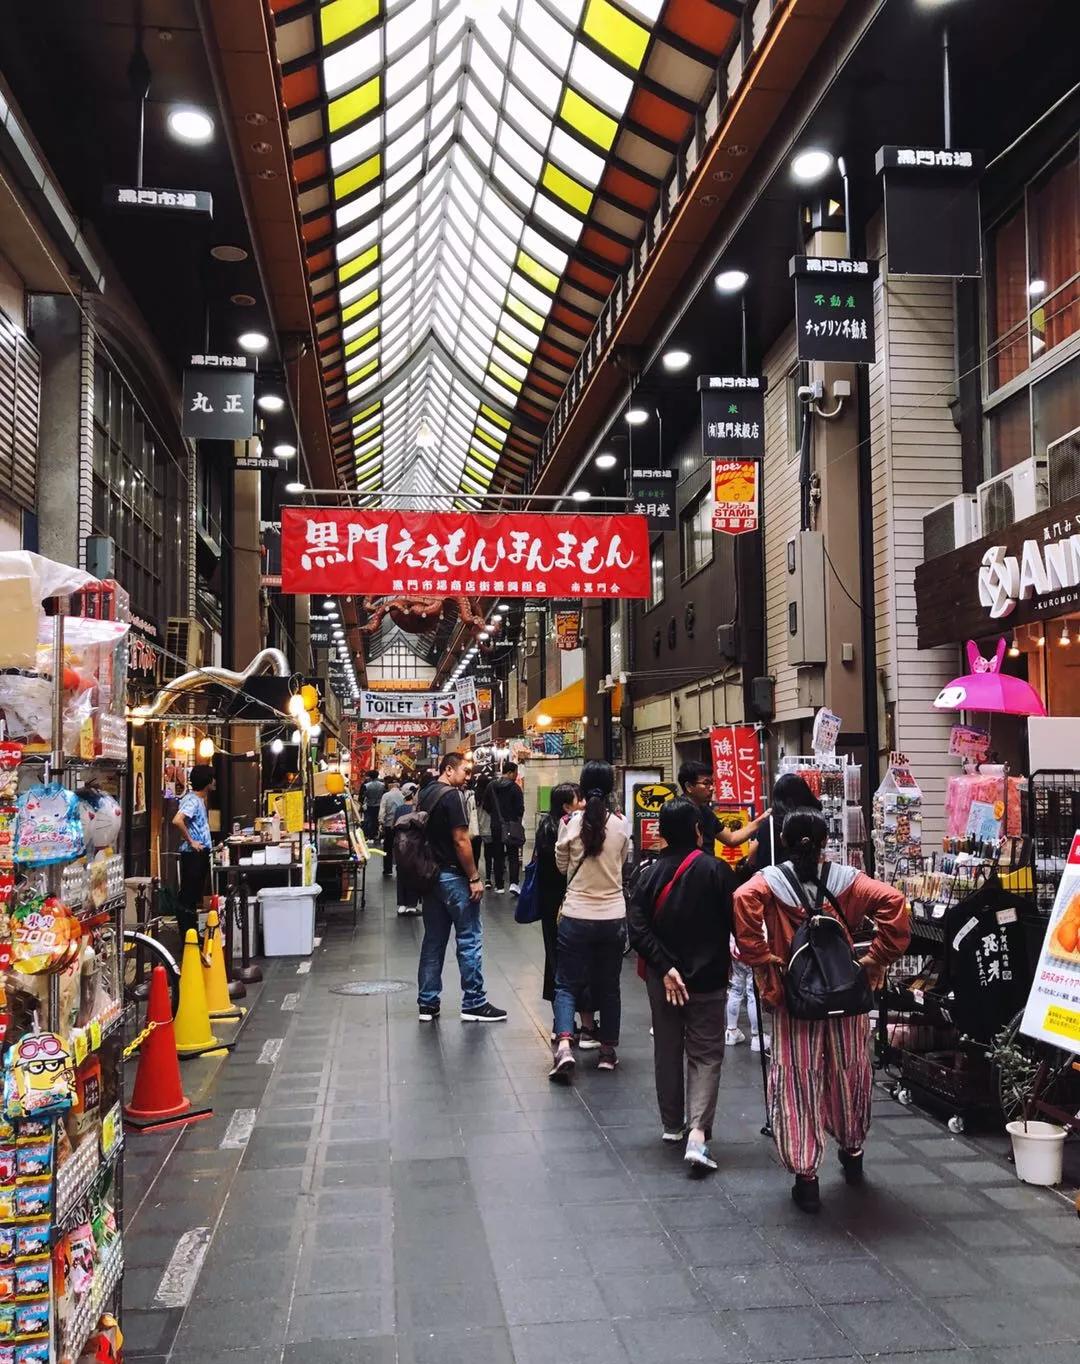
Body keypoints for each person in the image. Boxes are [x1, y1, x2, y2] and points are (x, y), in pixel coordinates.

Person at [734, 808, 910, 1212]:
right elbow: (895, 903)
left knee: (798, 1079)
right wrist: (876, 957)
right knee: (849, 1070)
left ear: (785, 839)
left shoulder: (770, 883)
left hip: (795, 998)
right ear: (824, 842)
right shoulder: (846, 881)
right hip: (846, 996)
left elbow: (741, 900)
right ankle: (852, 1153)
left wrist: (762, 957)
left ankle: (807, 1177)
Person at [628, 797, 735, 1173]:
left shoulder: (647, 874)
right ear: (696, 830)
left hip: (663, 980)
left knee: (668, 1049)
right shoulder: (717, 871)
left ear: (661, 833)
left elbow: (637, 928)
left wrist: (666, 967)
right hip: (708, 979)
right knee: (706, 1054)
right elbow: (735, 922)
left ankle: (672, 1125)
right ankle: (698, 1133)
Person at [550, 761, 631, 1078]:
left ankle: (565, 1047)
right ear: (611, 788)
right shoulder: (621, 825)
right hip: (612, 917)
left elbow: (560, 865)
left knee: (567, 985)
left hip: (576, 915)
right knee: (609, 986)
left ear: (581, 788)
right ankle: (607, 1052)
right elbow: (622, 865)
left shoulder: (570, 823)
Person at [416, 752, 507, 1023]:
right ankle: (474, 1002)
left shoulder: (426, 793)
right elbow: (461, 840)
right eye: (464, 771)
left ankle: (427, 1003)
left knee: (433, 940)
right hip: (454, 877)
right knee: (469, 938)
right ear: (448, 770)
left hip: (431, 876)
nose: (468, 777)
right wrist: (474, 876)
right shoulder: (452, 796)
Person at [535, 782, 599, 1046]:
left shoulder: (544, 828)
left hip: (550, 906)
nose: (584, 803)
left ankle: (560, 1025)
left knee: (555, 960)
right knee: (583, 961)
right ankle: (586, 1027)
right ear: (566, 806)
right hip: (574, 903)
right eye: (579, 799)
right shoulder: (573, 829)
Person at [677, 759, 768, 856]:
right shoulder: (674, 811)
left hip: (706, 867)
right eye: (706, 783)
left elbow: (731, 839)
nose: (712, 788)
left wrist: (762, 820)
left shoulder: (706, 812)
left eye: (712, 783)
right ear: (689, 786)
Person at [171, 764, 216, 941]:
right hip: (193, 855)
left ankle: (191, 933)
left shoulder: (198, 800)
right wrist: (192, 841)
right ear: (207, 781)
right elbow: (177, 820)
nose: (215, 781)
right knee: (188, 897)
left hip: (199, 854)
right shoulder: (192, 800)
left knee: (192, 896)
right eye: (212, 778)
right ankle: (188, 936)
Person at [747, 772, 822, 871]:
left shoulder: (770, 823)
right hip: (808, 877)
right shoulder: (813, 820)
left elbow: (752, 856)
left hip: (774, 880)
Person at [484, 760, 525, 894]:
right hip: (511, 825)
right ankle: (513, 883)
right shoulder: (515, 788)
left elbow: (486, 806)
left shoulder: (491, 786)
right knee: (513, 854)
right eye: (515, 773)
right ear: (510, 773)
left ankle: (499, 885)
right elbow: (520, 809)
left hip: (496, 825)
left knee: (498, 854)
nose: (516, 775)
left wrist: (496, 815)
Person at [725, 937, 769, 1053]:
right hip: (751, 950)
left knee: (735, 990)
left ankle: (731, 1031)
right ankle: (756, 1037)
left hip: (735, 950)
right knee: (753, 994)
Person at [393, 782, 420, 915]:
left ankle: (401, 904)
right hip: (414, 846)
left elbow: (394, 826)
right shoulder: (416, 811)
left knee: (401, 874)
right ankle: (411, 905)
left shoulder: (399, 809)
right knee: (413, 874)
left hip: (400, 845)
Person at [378, 777, 404, 877]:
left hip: (389, 825)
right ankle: (400, 868)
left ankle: (388, 869)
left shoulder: (386, 795)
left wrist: (381, 822)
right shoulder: (403, 795)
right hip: (401, 825)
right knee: (400, 848)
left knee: (388, 848)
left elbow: (382, 810)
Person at [475, 773, 495, 887]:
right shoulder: (490, 798)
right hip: (488, 829)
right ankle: (488, 879)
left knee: (476, 855)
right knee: (488, 856)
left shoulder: (474, 797)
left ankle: (475, 876)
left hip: (476, 829)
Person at [363, 770, 386, 841]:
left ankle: (369, 835)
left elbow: (363, 796)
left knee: (369, 820)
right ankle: (376, 834)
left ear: (370, 776)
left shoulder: (366, 785)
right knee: (377, 820)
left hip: (369, 804)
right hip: (379, 804)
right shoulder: (383, 785)